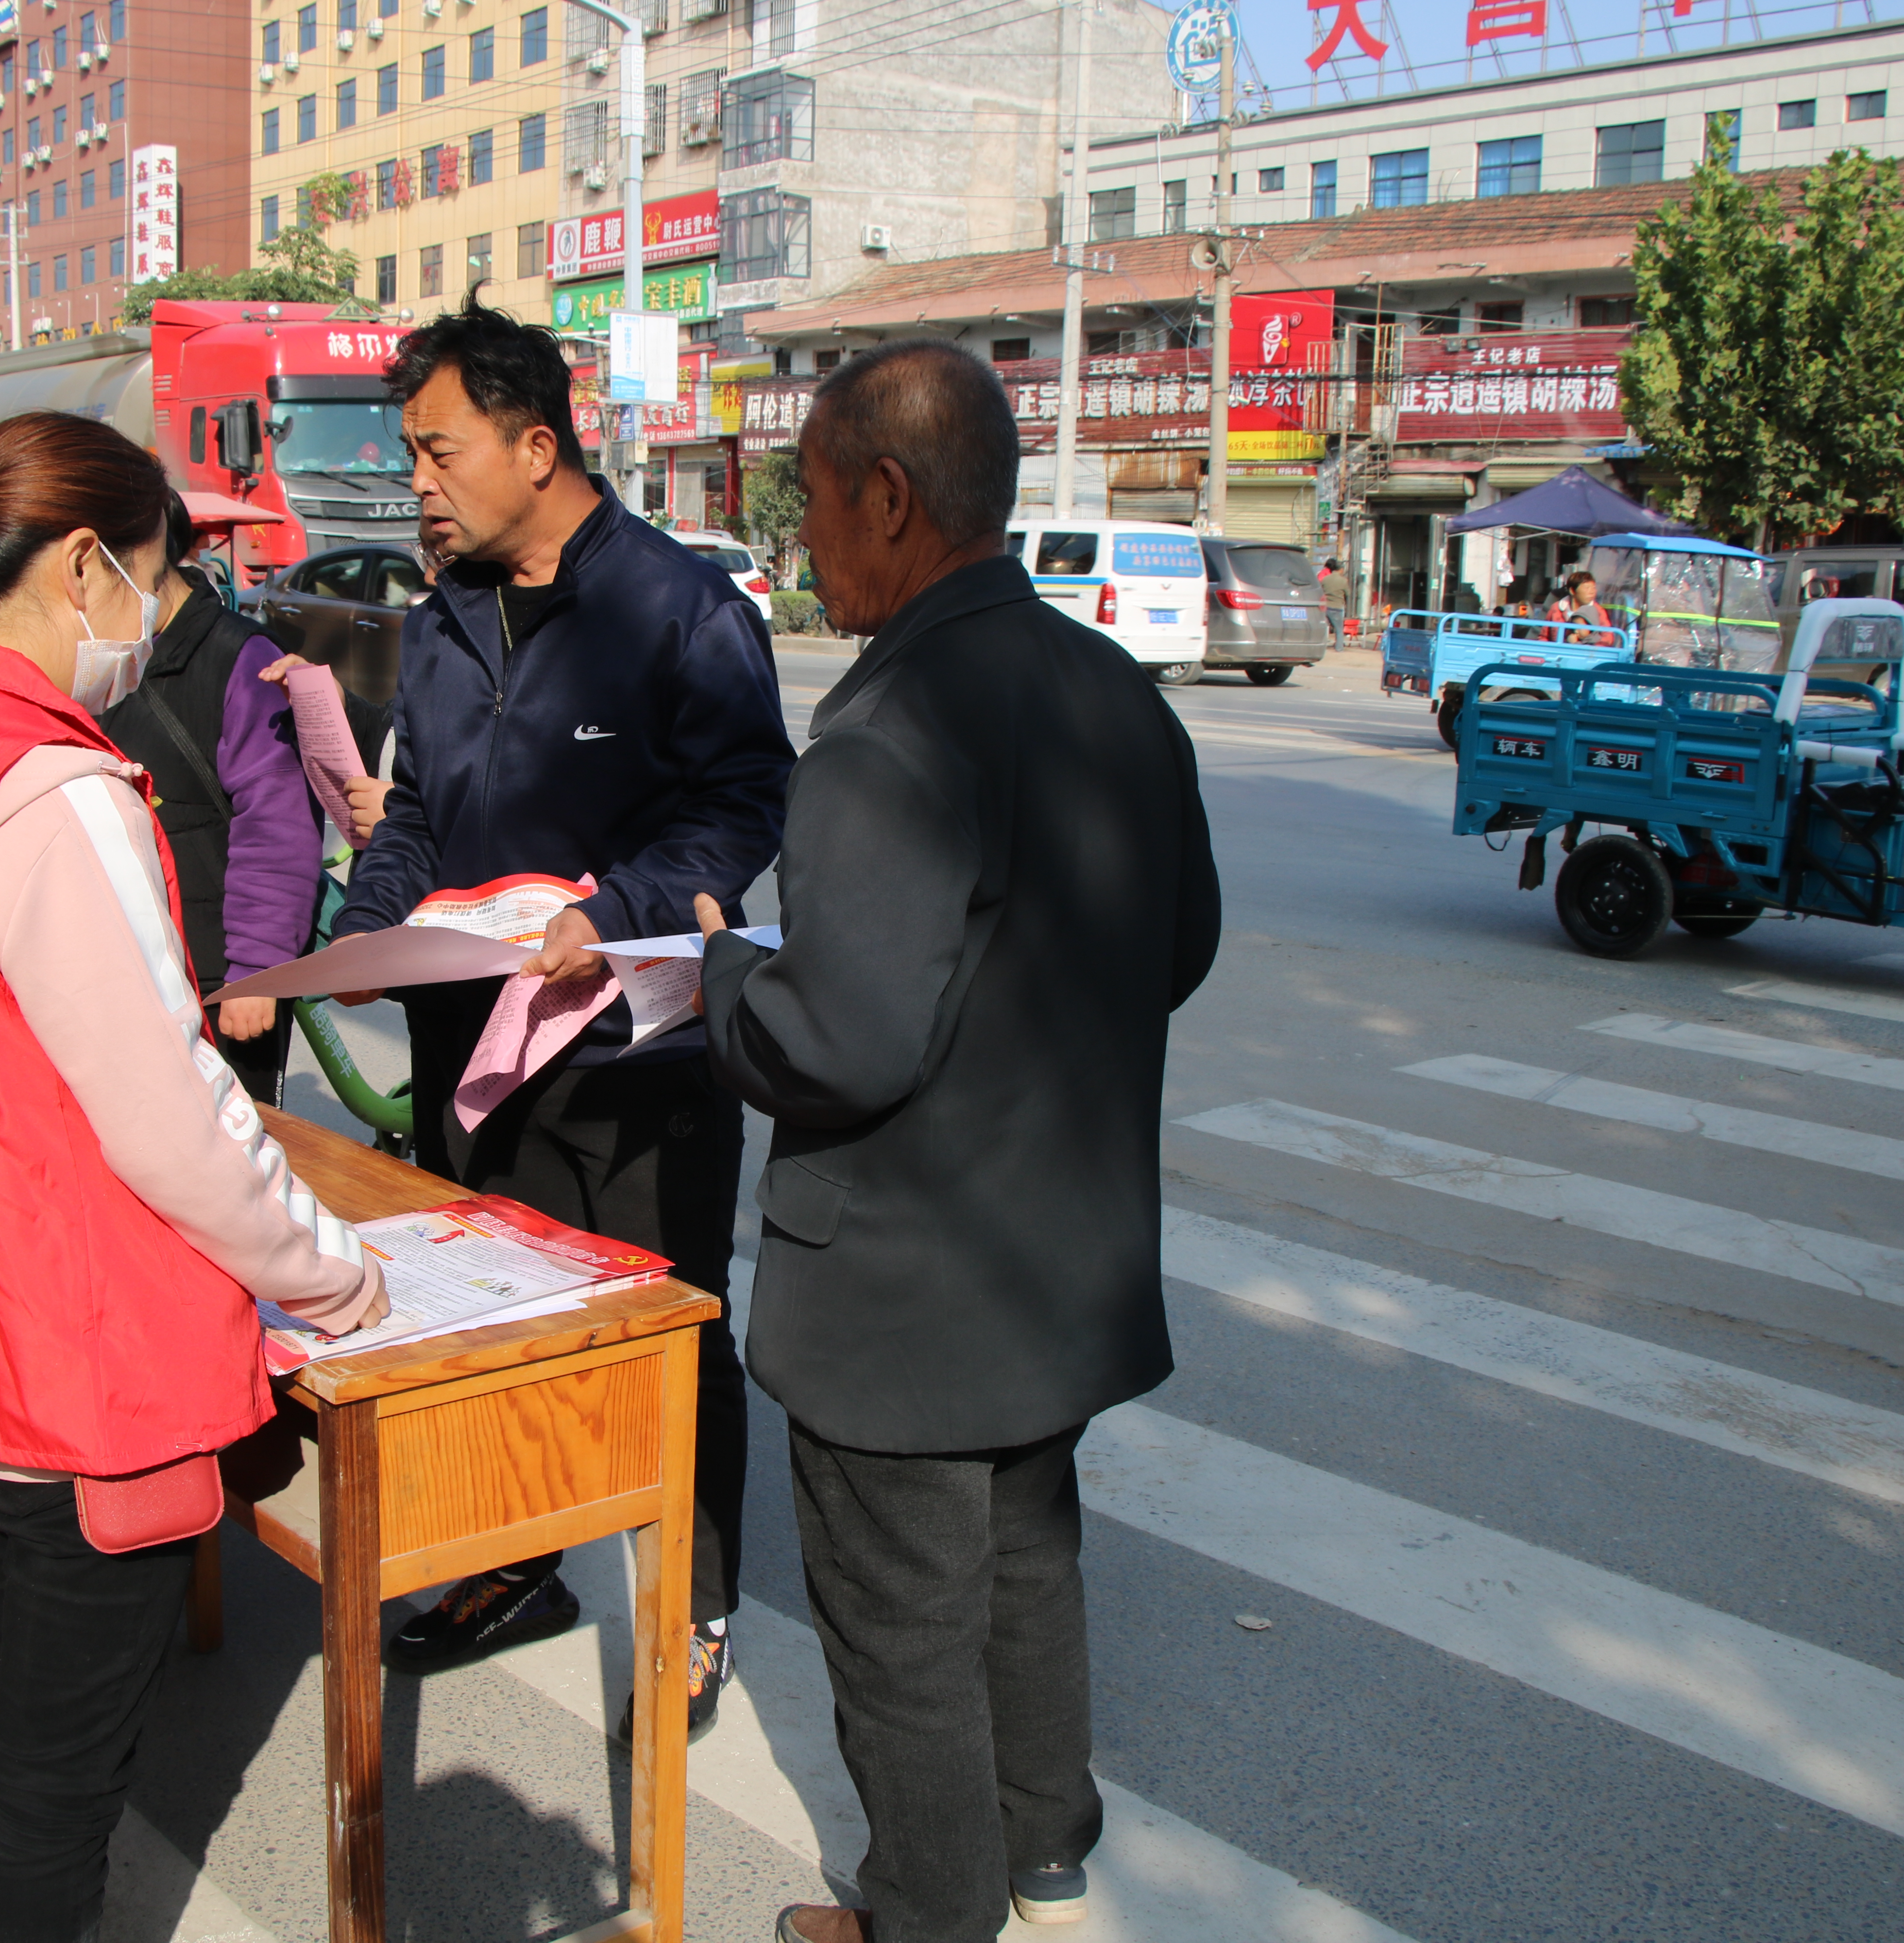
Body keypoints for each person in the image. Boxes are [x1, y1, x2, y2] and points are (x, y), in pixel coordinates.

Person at [0, 410, 389, 1942]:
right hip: (81, 1359)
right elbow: (169, 1107)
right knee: (57, 1781)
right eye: (153, 579)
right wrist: (332, 1271)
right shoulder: (51, 787)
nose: (155, 617)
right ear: (79, 566)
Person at [692, 341, 1218, 1943]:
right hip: (1054, 1254)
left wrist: (724, 975)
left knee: (905, 1618)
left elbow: (839, 1041)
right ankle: (1044, 1846)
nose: (802, 540)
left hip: (905, 1291)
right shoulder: (1110, 686)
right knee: (1027, 1555)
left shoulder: (888, 729)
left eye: (809, 500)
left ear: (889, 497)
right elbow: (1178, 944)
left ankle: (927, 1912)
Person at [329, 302, 793, 1736]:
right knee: (501, 1319)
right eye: (409, 453)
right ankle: (518, 1562)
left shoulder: (677, 608)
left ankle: (693, 1604)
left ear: (537, 448)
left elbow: (745, 801)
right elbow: (416, 813)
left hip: (637, 1047)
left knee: (665, 1334)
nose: (418, 481)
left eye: (439, 451)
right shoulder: (441, 617)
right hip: (477, 1050)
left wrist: (622, 908)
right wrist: (365, 934)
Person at [98, 494, 324, 1104]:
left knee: (232, 1140)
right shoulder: (103, 660)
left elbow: (277, 820)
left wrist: (258, 970)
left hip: (222, 974)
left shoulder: (241, 658)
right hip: (131, 966)